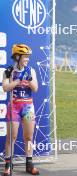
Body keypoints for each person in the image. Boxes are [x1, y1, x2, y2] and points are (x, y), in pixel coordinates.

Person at [2, 44, 39, 175]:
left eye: (28, 57)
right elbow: (5, 88)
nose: (27, 59)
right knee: (12, 136)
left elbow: (35, 89)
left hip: (28, 107)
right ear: (17, 57)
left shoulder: (31, 70)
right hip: (14, 107)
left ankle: (29, 163)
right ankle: (8, 165)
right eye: (25, 57)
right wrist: (17, 81)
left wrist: (29, 79)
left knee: (29, 137)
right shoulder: (8, 71)